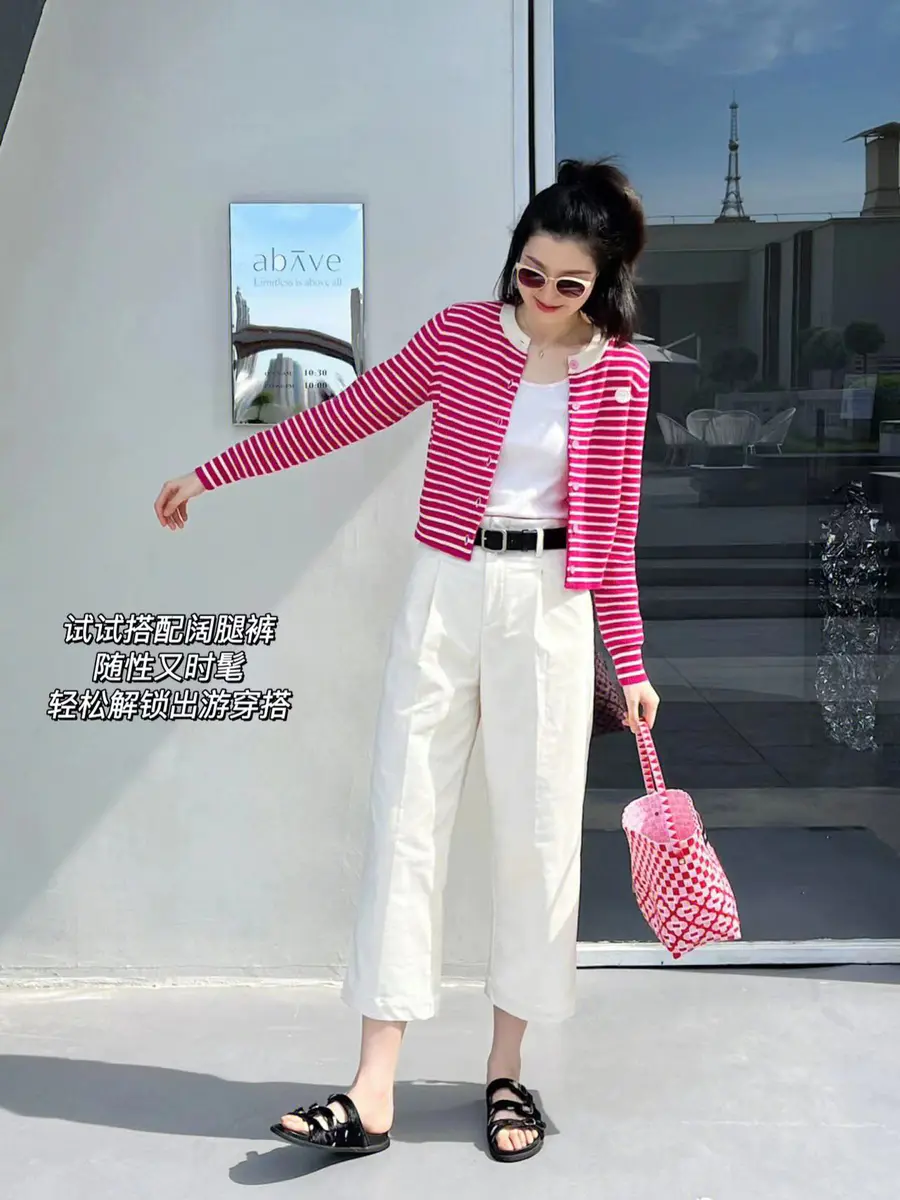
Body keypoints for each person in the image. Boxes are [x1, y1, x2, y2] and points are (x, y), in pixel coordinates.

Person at [154, 158, 660, 1164]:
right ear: (514, 259)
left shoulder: (621, 374)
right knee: (405, 823)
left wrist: (632, 661)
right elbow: (346, 415)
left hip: (553, 606)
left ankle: (506, 1072)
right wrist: (212, 473)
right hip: (447, 588)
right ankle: (372, 1088)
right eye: (531, 272)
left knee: (539, 837)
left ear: (603, 283)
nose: (545, 295)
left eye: (569, 283)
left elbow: (616, 531)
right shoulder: (460, 335)